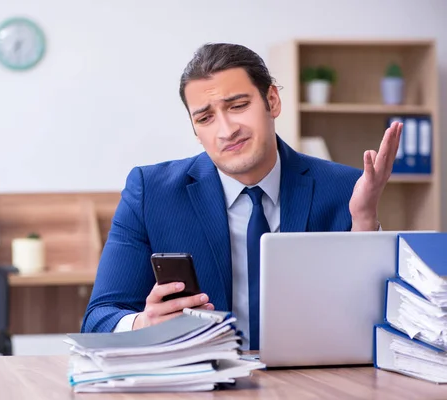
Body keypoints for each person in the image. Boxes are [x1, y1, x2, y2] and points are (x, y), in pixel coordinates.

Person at [80, 43, 402, 350]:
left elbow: (373, 319)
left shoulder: (345, 188)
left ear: (272, 101)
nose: (226, 129)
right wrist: (142, 325)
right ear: (195, 129)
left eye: (238, 106)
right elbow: (98, 320)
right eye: (205, 118)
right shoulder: (151, 192)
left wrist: (363, 220)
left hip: (309, 382)